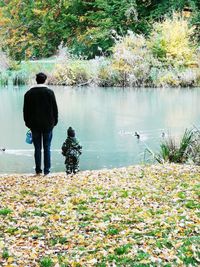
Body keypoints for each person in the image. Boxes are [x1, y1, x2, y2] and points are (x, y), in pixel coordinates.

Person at [23, 72, 58, 175]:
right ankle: (47, 171)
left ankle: (38, 170)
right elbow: (55, 109)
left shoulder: (28, 94)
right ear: (45, 80)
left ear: (36, 80)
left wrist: (27, 123)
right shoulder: (50, 93)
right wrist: (54, 122)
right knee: (47, 147)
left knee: (37, 148)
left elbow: (25, 111)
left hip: (34, 125)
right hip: (48, 125)